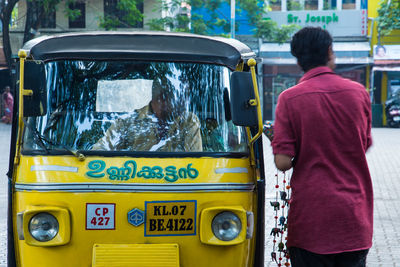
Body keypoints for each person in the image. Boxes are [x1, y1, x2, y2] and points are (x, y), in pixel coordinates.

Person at [271, 27, 373, 267]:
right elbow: (363, 144)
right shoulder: (359, 93)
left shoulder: (289, 98)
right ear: (329, 51)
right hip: (354, 219)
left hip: (311, 222)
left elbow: (283, 162)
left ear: (297, 59)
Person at [93, 79, 202, 152]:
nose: (184, 105)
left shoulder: (188, 120)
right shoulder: (127, 122)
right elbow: (99, 151)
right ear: (162, 98)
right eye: (180, 99)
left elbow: (197, 160)